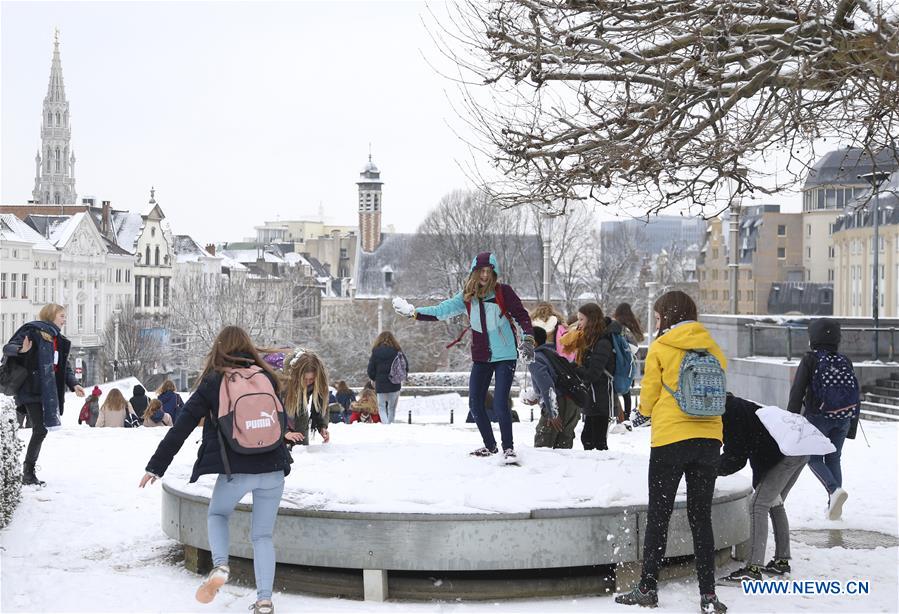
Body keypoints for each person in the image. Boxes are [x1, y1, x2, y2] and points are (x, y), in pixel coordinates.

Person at [140, 326, 294, 614]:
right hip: (273, 469)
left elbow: (182, 427)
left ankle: (221, 565)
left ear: (218, 349)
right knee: (262, 536)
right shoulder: (267, 378)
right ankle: (264, 600)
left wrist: (155, 466)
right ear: (248, 347)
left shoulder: (214, 382)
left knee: (218, 513)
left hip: (236, 470)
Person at [615, 290, 728, 613]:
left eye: (658, 316)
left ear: (668, 316)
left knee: (659, 516)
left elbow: (649, 395)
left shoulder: (662, 348)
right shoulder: (713, 348)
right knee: (700, 517)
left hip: (670, 440)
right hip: (709, 440)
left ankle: (648, 587)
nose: (656, 321)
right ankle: (708, 596)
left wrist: (642, 414)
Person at [396, 252, 534, 464]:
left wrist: (527, 340)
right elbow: (441, 310)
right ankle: (490, 445)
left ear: (494, 273)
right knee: (475, 403)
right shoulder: (467, 297)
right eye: (481, 271)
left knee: (499, 403)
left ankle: (508, 449)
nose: (485, 275)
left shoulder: (503, 292)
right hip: (481, 356)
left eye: (489, 271)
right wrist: (414, 312)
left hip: (506, 355)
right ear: (474, 272)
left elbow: (522, 317)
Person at [718, 394, 808, 583]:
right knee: (775, 503)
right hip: (798, 446)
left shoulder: (730, 414)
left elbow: (736, 457)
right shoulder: (741, 406)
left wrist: (712, 468)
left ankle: (752, 569)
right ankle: (781, 561)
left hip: (785, 454)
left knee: (758, 505)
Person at [2, 303, 85, 485]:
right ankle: (28, 472)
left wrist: (74, 384)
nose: (65, 320)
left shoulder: (58, 339)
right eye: (62, 316)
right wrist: (21, 350)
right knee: (40, 429)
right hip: (30, 389)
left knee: (41, 430)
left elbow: (64, 366)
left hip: (47, 391)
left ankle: (28, 471)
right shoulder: (33, 331)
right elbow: (8, 347)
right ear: (51, 315)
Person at [786, 317, 858, 520]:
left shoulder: (810, 359)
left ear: (813, 338)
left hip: (818, 417)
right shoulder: (845, 360)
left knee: (813, 458)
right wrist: (851, 425)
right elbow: (854, 393)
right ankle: (833, 505)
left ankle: (834, 491)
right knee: (834, 458)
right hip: (843, 417)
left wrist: (792, 419)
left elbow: (797, 390)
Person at [561, 303, 617, 451]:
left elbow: (593, 374)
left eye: (581, 319)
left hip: (600, 397)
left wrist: (573, 367)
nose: (578, 323)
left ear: (591, 320)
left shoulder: (602, 343)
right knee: (588, 439)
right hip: (592, 397)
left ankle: (599, 469)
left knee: (595, 441)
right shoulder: (589, 341)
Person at [524, 326, 580, 449]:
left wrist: (553, 412)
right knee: (564, 448)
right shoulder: (552, 353)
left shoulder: (535, 359)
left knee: (544, 447)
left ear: (534, 343)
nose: (520, 345)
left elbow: (547, 386)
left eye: (524, 341)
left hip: (558, 403)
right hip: (572, 402)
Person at [282, 350, 331, 446]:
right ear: (297, 376)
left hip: (301, 412)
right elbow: (274, 411)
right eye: (304, 379)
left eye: (312, 379)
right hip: (281, 419)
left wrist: (322, 426)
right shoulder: (283, 381)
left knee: (302, 448)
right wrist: (285, 432)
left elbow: (321, 405)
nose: (308, 382)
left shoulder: (320, 381)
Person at [613, 302, 645, 423]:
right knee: (627, 391)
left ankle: (619, 416)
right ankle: (626, 416)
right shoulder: (633, 323)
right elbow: (640, 339)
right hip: (632, 361)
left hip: (621, 359)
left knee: (616, 388)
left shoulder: (618, 324)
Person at [366, 331, 407, 424]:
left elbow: (370, 369)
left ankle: (386, 426)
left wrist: (374, 378)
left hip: (381, 384)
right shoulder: (397, 351)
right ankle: (391, 424)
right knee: (392, 408)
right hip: (395, 383)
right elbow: (405, 366)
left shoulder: (375, 352)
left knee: (381, 407)